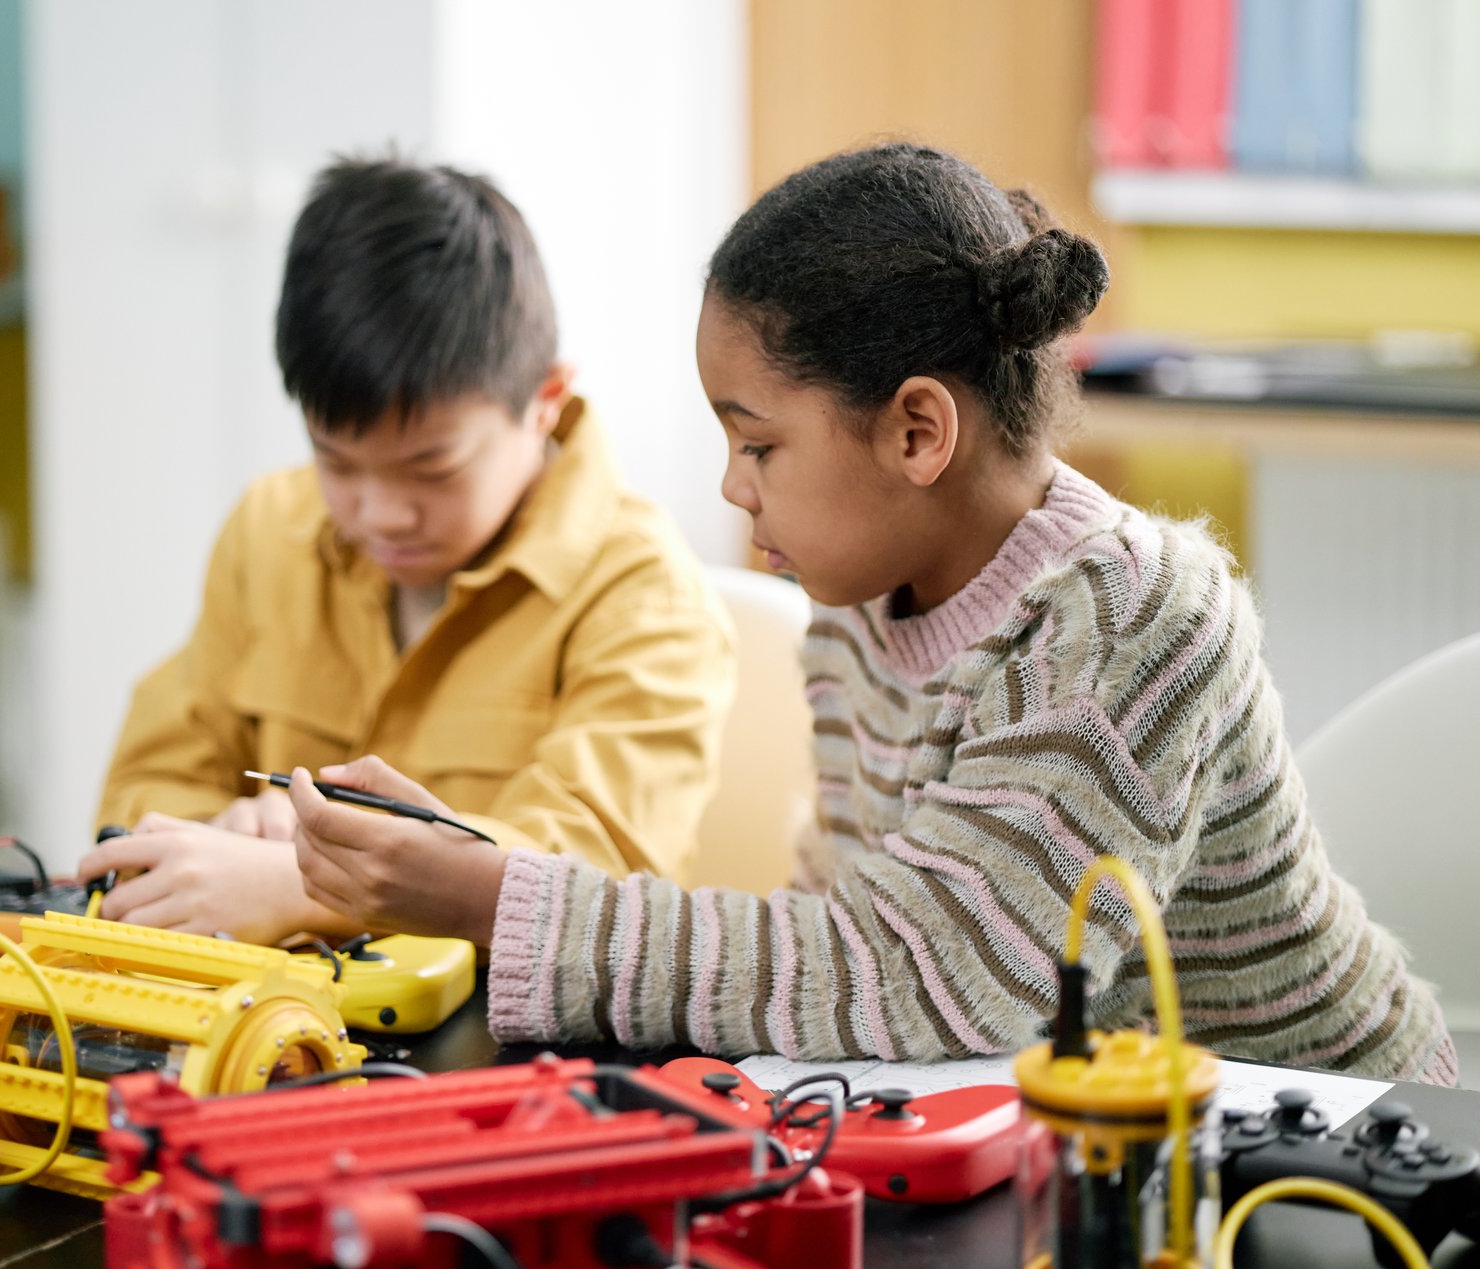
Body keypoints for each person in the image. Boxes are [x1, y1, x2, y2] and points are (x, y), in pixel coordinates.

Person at [280, 143, 1458, 1084]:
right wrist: (486, 869)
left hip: (1334, 1154)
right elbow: (839, 940)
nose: (733, 487)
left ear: (917, 431)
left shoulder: (1128, 617)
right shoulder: (856, 608)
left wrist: (488, 895)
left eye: (758, 444)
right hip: (1085, 1132)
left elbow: (935, 983)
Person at [78, 156, 733, 945]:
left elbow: (600, 881)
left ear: (544, 401)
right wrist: (221, 832)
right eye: (337, 462)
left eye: (433, 469)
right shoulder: (270, 529)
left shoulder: (644, 593)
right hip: (268, 1007)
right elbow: (147, 783)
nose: (383, 514)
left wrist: (304, 881)